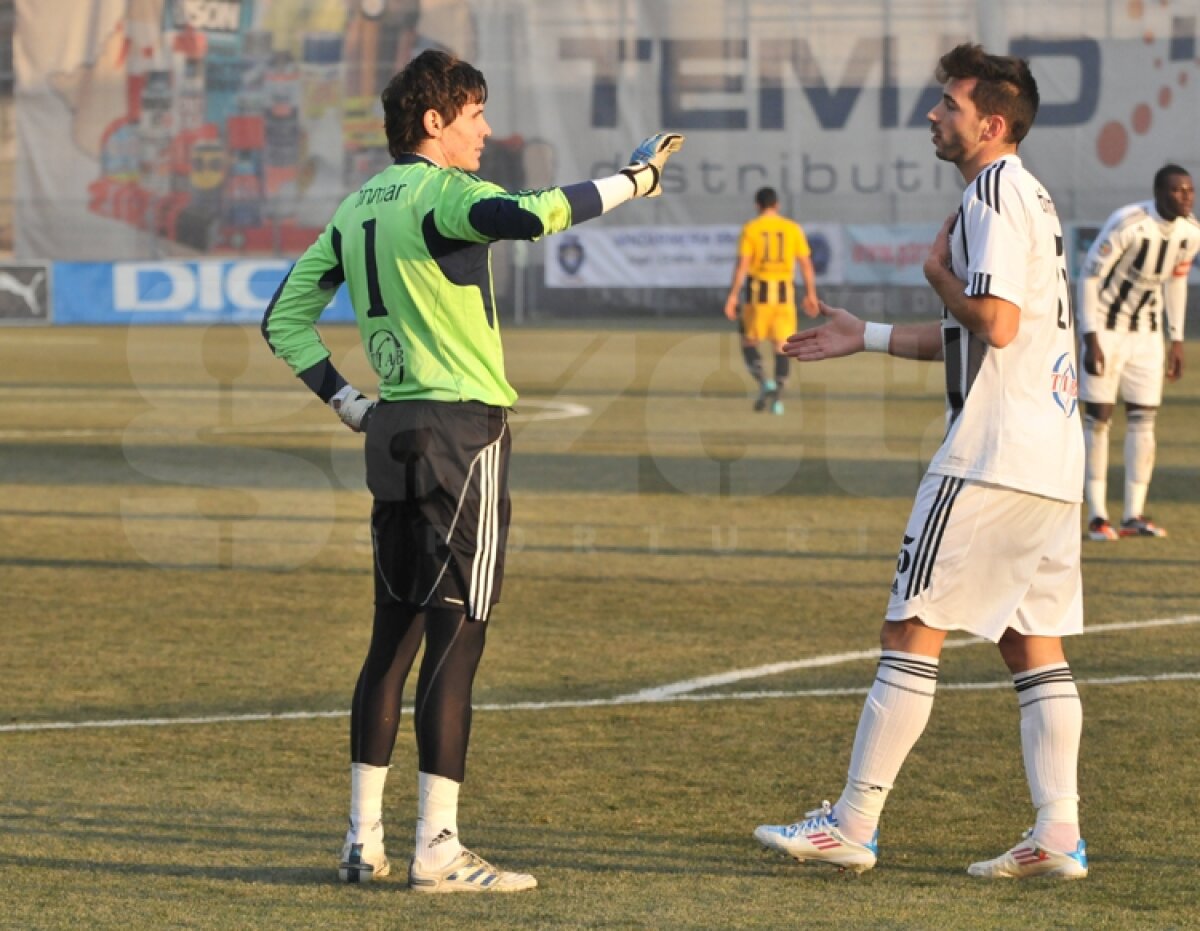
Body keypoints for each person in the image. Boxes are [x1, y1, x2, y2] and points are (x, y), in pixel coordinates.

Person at [262, 49, 683, 893]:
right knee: (458, 636)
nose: (488, 130)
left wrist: (350, 404)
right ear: (434, 122)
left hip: (393, 431)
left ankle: (360, 841)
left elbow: (283, 319)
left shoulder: (356, 207)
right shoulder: (443, 195)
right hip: (464, 433)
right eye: (475, 114)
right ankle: (438, 850)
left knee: (392, 639)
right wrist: (636, 180)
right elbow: (535, 216)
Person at [754, 44, 1089, 880]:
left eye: (948, 103)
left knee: (910, 626)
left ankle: (853, 821)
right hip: (1051, 458)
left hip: (992, 454)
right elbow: (981, 337)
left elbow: (997, 324)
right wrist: (863, 334)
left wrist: (936, 273)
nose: (934, 115)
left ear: (992, 123)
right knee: (1030, 641)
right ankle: (1058, 832)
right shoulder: (1034, 197)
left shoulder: (991, 190)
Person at [1076, 165, 1198, 541]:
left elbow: (1177, 281)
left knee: (1144, 421)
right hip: (1107, 330)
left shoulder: (1190, 233)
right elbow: (1089, 276)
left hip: (1147, 335)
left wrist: (1175, 338)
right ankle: (1097, 516)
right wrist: (1090, 336)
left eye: (1190, 190)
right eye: (1178, 191)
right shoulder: (1128, 223)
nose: (1187, 197)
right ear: (1159, 193)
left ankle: (1134, 514)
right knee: (1098, 419)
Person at [723, 187, 819, 414]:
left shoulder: (751, 229)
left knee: (748, 342)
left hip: (759, 295)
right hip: (785, 296)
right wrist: (811, 294)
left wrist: (733, 295)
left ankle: (764, 382)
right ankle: (777, 397)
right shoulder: (792, 228)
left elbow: (743, 265)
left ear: (757, 205)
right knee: (782, 346)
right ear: (777, 205)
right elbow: (806, 264)